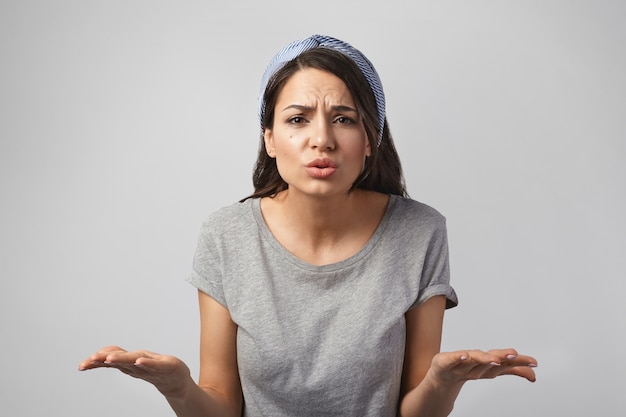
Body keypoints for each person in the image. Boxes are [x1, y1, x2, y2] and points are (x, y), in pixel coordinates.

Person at [79, 34, 537, 417]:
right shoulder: (225, 235)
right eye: (297, 119)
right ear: (270, 139)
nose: (322, 139)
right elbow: (220, 405)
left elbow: (415, 410)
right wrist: (179, 388)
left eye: (344, 119)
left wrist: (442, 380)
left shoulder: (420, 231)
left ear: (370, 140)